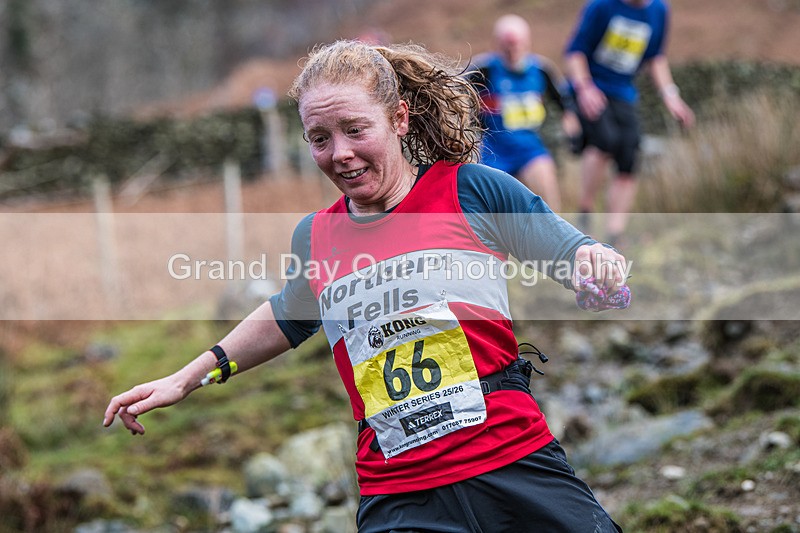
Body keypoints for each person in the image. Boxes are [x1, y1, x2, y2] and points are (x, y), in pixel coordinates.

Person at [104, 39, 629, 532]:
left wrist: (597, 265)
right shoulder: (317, 236)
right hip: (399, 494)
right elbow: (288, 315)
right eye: (320, 139)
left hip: (511, 461)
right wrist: (186, 379)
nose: (340, 153)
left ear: (399, 118)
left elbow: (572, 253)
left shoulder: (471, 191)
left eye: (356, 130)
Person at [564, 0, 694, 246]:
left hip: (623, 93)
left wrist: (671, 96)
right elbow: (575, 52)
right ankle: (585, 213)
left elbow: (655, 58)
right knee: (604, 140)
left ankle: (615, 234)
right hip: (591, 87)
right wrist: (585, 88)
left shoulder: (659, 11)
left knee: (629, 156)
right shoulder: (601, 6)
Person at [468, 14, 579, 212]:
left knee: (547, 198)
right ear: (496, 44)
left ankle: (552, 230)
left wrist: (570, 124)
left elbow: (563, 100)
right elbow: (453, 96)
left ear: (527, 43)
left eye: (517, 45)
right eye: (507, 46)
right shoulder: (483, 69)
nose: (513, 51)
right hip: (493, 152)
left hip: (529, 150)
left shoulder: (541, 69)